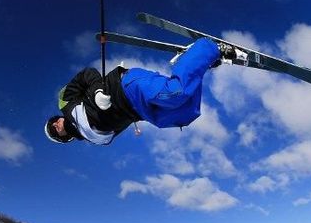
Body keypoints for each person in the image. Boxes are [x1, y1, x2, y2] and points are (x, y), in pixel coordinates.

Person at [44, 38, 237, 145]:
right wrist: (133, 120)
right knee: (184, 114)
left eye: (53, 122)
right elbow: (116, 122)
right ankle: (197, 61)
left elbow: (86, 74)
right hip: (138, 110)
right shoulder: (96, 139)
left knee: (175, 93)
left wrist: (97, 92)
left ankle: (207, 47)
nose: (56, 125)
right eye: (54, 131)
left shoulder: (66, 105)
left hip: (126, 86)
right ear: (63, 138)